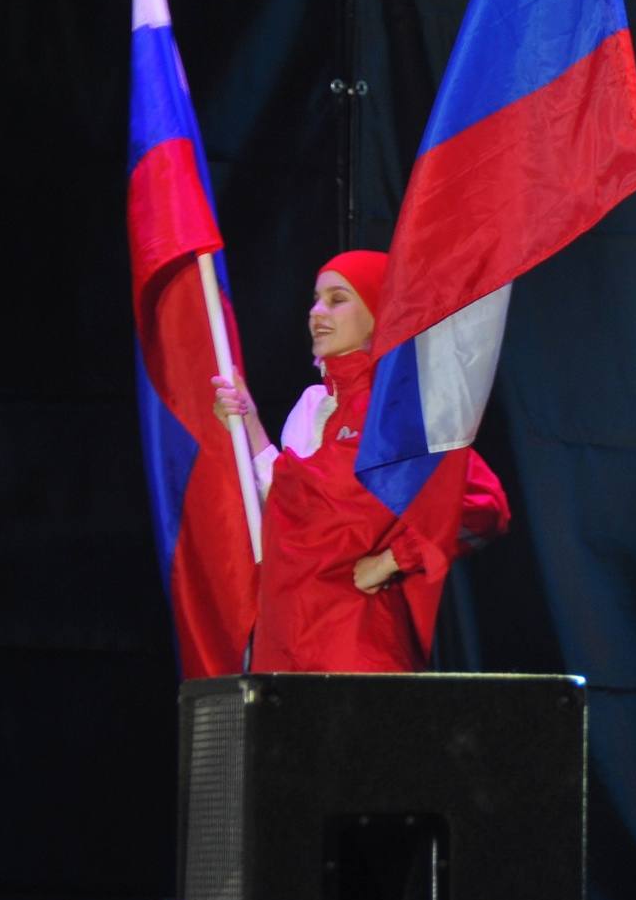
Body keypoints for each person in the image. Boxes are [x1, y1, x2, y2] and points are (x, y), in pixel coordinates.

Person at [213, 250, 508, 673]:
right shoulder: (313, 406)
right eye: (315, 300)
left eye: (337, 299)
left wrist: (393, 561)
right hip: (284, 643)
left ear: (377, 309)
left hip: (355, 648)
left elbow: (483, 505)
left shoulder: (399, 413)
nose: (317, 312)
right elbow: (288, 506)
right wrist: (247, 422)